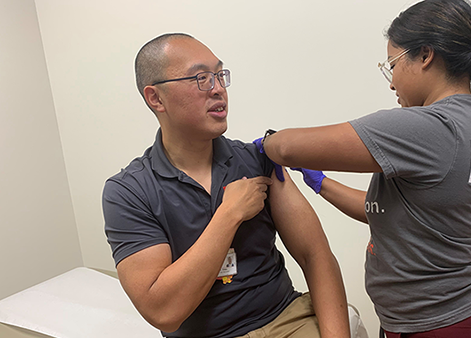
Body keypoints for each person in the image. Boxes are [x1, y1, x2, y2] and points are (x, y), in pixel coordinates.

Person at [259, 0, 471, 337]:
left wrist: (266, 143)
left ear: (425, 55)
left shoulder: (429, 127)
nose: (392, 81)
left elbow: (289, 147)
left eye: (392, 64)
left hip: (450, 326)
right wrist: (320, 183)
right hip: (435, 319)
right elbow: (385, 211)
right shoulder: (467, 119)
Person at [102, 33, 353, 338]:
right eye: (201, 78)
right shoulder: (128, 192)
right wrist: (229, 213)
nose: (218, 89)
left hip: (287, 319)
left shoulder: (256, 159)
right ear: (155, 98)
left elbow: (316, 255)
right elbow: (163, 313)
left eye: (220, 75)